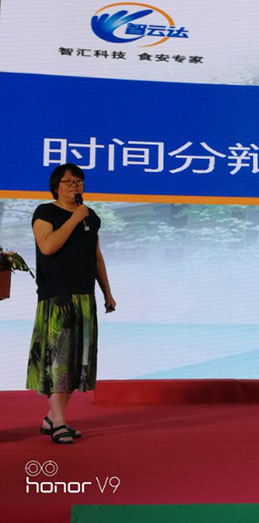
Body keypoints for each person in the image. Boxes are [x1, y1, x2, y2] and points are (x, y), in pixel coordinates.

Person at [26, 163, 117, 444]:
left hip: (84, 295)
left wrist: (107, 292)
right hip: (57, 296)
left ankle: (52, 417)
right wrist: (74, 219)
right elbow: (48, 246)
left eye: (79, 180)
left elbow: (96, 257)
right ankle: (59, 423)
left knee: (78, 362)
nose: (75, 185)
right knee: (58, 362)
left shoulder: (91, 216)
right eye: (68, 181)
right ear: (56, 186)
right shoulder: (45, 213)